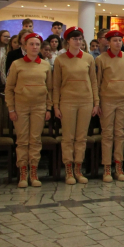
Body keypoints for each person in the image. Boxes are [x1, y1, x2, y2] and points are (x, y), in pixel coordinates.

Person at [5, 32, 51, 188]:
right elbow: (9, 88)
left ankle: (34, 172)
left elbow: (49, 88)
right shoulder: (17, 64)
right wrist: (11, 109)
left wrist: (48, 108)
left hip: (39, 107)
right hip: (21, 108)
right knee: (22, 141)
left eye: (37, 44)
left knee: (35, 140)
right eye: (31, 44)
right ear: (24, 46)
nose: (34, 47)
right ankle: (23, 172)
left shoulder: (45, 65)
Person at [53, 27, 98, 184]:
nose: (78, 42)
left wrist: (95, 102)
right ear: (68, 41)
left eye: (80, 39)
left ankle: (78, 168)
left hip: (85, 101)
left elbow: (93, 81)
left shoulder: (88, 59)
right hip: (67, 101)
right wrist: (56, 106)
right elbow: (56, 85)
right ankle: (68, 169)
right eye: (74, 39)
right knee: (68, 137)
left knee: (81, 137)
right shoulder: (60, 60)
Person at [94, 30, 124, 183]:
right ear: (108, 42)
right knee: (107, 134)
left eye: (120, 40)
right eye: (114, 40)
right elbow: (97, 82)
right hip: (107, 100)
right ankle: (107, 167)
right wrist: (97, 103)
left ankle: (118, 166)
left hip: (122, 100)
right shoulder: (101, 59)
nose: (118, 43)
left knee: (120, 134)